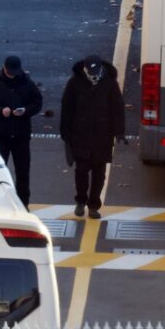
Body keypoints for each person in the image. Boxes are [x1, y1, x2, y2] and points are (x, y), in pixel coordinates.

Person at [60, 54, 126, 219]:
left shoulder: (110, 83)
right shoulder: (74, 83)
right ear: (85, 69)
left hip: (102, 136)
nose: (93, 74)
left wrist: (119, 132)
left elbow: (117, 108)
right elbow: (67, 108)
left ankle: (94, 205)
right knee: (81, 171)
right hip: (80, 135)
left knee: (99, 174)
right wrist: (65, 132)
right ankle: (81, 201)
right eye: (91, 71)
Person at [0, 55, 42, 209]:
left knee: (23, 172)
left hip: (21, 136)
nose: (13, 75)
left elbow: (37, 102)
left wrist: (25, 110)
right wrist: (1, 111)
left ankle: (23, 204)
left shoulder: (27, 83)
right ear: (4, 68)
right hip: (1, 136)